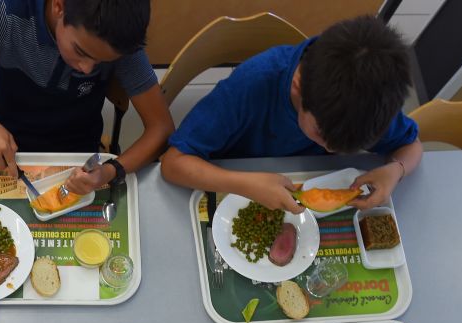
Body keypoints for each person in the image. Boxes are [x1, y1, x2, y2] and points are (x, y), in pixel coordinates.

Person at [0, 0, 174, 194]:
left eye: (102, 62)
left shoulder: (118, 38)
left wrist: (111, 171)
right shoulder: (10, 17)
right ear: (59, 6)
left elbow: (161, 127)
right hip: (4, 152)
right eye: (81, 52)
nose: (88, 68)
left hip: (76, 156)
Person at [161, 16, 423, 214]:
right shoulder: (253, 83)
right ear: (298, 84)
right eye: (321, 135)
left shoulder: (368, 100)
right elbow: (173, 163)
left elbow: (411, 145)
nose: (331, 149)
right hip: (233, 183)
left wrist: (395, 171)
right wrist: (245, 184)